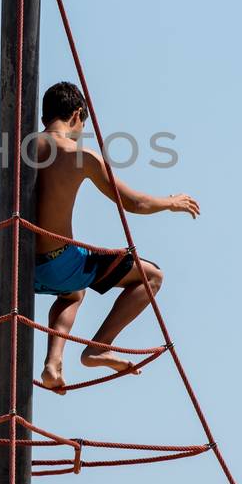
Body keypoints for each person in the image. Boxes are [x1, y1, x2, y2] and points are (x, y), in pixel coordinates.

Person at [29, 81, 198, 393]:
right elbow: (135, 203)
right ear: (77, 115)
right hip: (59, 262)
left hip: (21, 264)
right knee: (152, 276)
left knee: (74, 293)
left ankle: (53, 363)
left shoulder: (19, 147)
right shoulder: (80, 156)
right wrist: (170, 202)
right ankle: (99, 347)